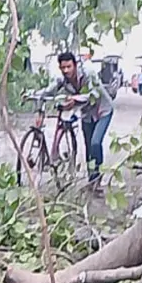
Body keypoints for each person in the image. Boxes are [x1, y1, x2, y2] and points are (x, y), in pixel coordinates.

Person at [36, 52, 114, 185]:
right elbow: (49, 90)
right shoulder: (62, 79)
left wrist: (75, 99)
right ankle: (92, 180)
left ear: (75, 65)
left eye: (69, 67)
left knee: (95, 143)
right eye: (63, 68)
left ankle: (97, 178)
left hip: (103, 110)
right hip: (87, 114)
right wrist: (33, 96)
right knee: (88, 147)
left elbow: (94, 94)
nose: (66, 71)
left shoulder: (88, 73)